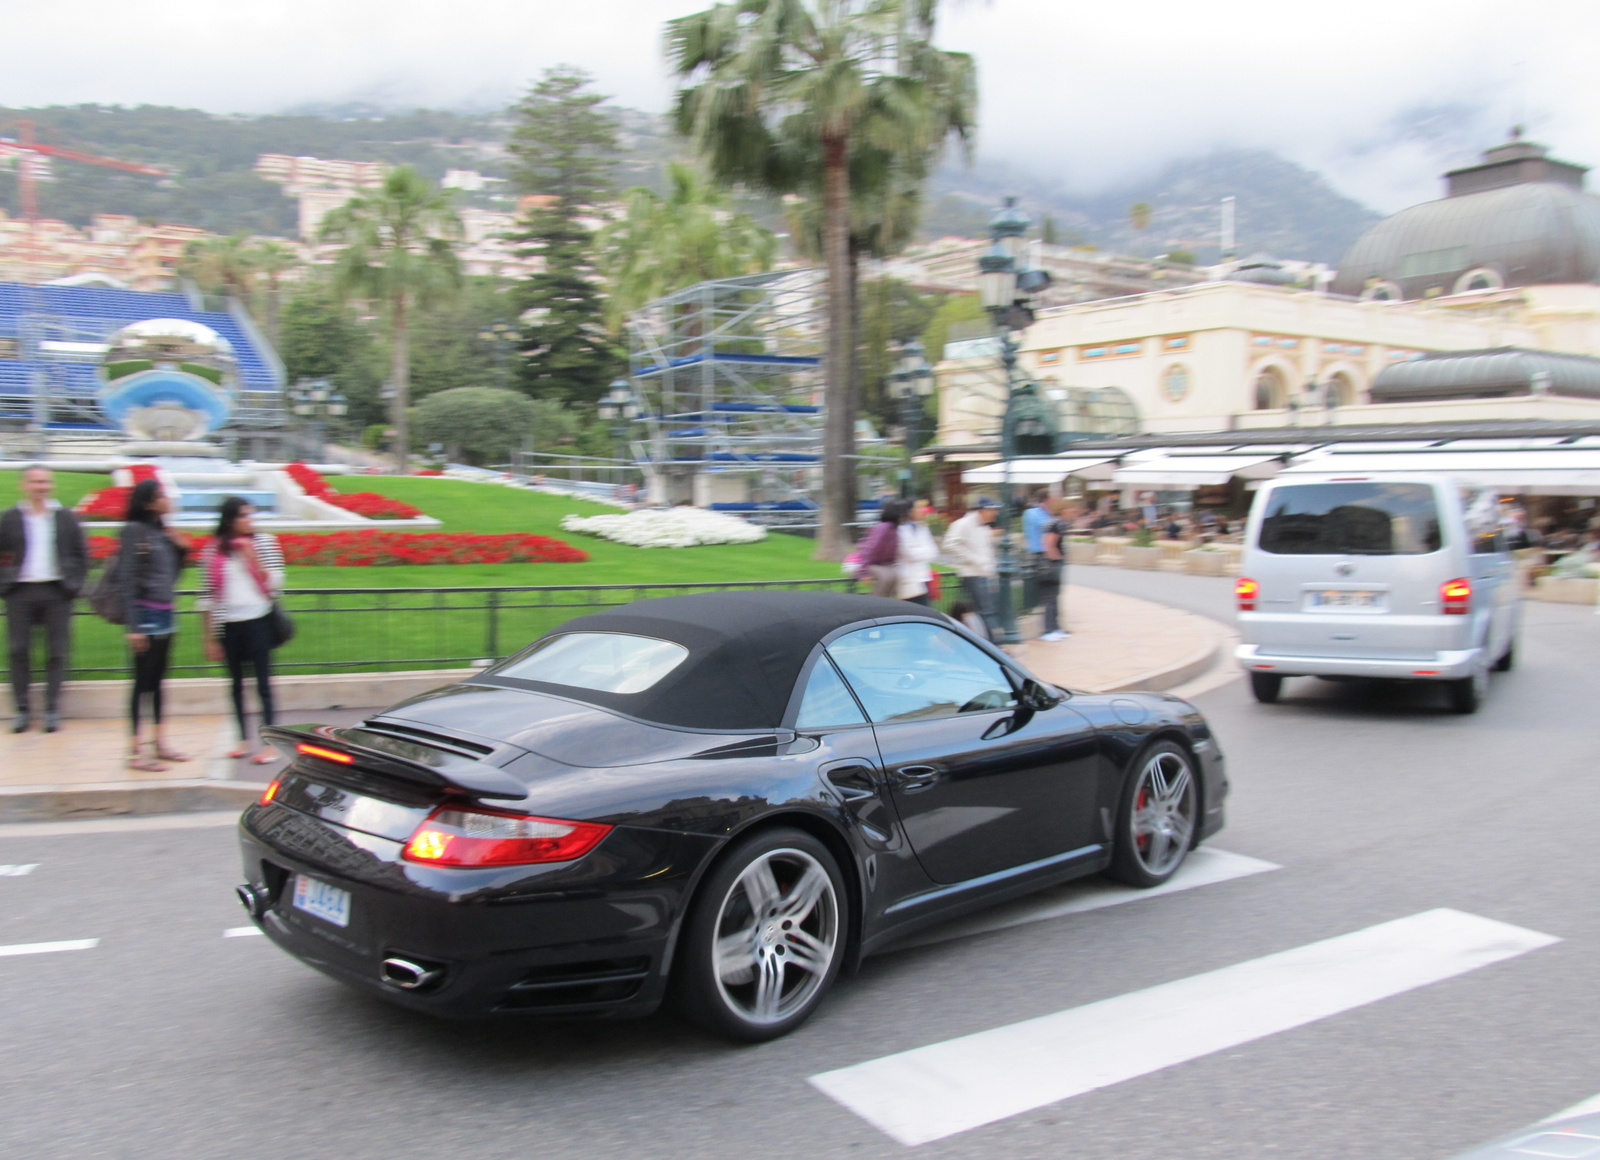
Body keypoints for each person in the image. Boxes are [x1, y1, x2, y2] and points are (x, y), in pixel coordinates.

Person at [1, 465, 88, 732]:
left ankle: (51, 709)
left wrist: (72, 585)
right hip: (20, 592)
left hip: (56, 592)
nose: (41, 487)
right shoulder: (9, 518)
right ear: (24, 485)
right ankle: (23, 710)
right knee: (18, 651)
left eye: (45, 482)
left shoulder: (64, 517)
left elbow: (80, 553)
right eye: (36, 482)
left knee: (58, 652)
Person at [199, 497, 285, 765]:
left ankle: (269, 743)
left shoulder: (264, 543)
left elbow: (277, 583)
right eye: (244, 516)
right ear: (230, 520)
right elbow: (206, 596)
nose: (250, 521)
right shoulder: (214, 551)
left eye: (251, 515)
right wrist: (210, 635)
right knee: (235, 685)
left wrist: (252, 557)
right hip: (229, 625)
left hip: (258, 621)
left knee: (263, 685)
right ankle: (243, 739)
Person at [120, 478, 191, 771]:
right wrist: (133, 626)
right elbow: (128, 580)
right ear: (149, 501)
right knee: (143, 684)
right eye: (162, 495)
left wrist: (181, 551)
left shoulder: (160, 533)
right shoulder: (134, 532)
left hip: (165, 615)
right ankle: (137, 751)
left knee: (159, 683)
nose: (167, 499)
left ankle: (159, 742)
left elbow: (169, 579)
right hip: (145, 616)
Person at [942, 496, 999, 630]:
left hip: (984, 574)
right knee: (985, 612)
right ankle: (991, 645)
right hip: (972, 574)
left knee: (984, 611)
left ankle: (988, 643)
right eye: (992, 510)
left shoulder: (983, 528)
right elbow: (949, 544)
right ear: (983, 510)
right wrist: (973, 559)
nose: (995, 513)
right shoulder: (963, 524)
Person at [895, 498, 940, 606]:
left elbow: (934, 552)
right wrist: (924, 550)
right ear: (909, 511)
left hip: (924, 577)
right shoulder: (900, 530)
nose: (921, 510)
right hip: (909, 579)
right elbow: (909, 554)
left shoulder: (923, 528)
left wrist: (919, 551)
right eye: (917, 508)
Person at [1038, 499, 1070, 641]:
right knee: (1051, 598)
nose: (1072, 512)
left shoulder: (1057, 524)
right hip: (1051, 566)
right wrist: (1057, 561)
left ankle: (1055, 627)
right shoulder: (1055, 524)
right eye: (1070, 510)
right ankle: (1049, 629)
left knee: (1054, 598)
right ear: (1063, 510)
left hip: (1053, 565)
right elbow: (1049, 545)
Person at [856, 500, 903, 597]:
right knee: (886, 577)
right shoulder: (883, 528)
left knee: (895, 576)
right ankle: (872, 602)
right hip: (868, 563)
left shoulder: (896, 529)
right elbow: (870, 549)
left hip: (882, 564)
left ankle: (886, 602)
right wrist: (864, 572)